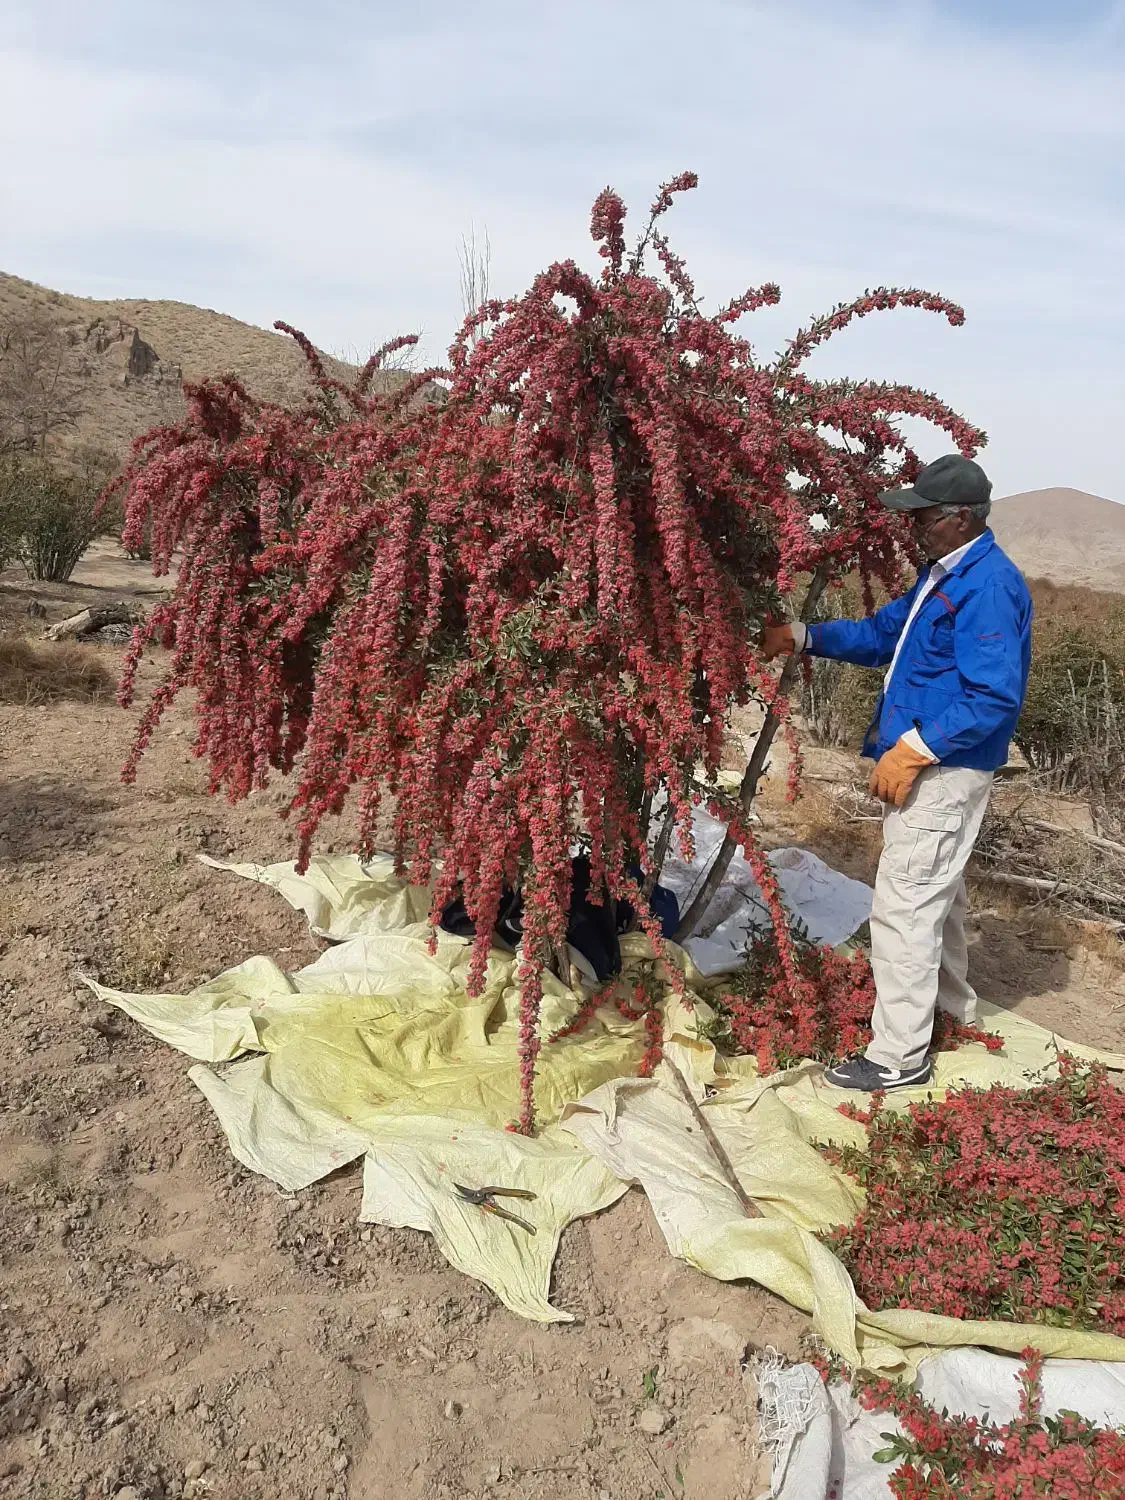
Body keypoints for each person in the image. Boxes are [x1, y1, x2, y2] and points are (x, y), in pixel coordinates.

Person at [762, 454, 1032, 1091]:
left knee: (905, 905)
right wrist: (804, 635)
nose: (912, 526)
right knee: (942, 892)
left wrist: (916, 746)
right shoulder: (941, 577)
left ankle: (897, 1057)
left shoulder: (987, 585)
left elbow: (993, 694)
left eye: (924, 516)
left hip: (944, 767)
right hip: (932, 762)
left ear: (961, 518)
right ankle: (952, 1008)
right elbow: (883, 635)